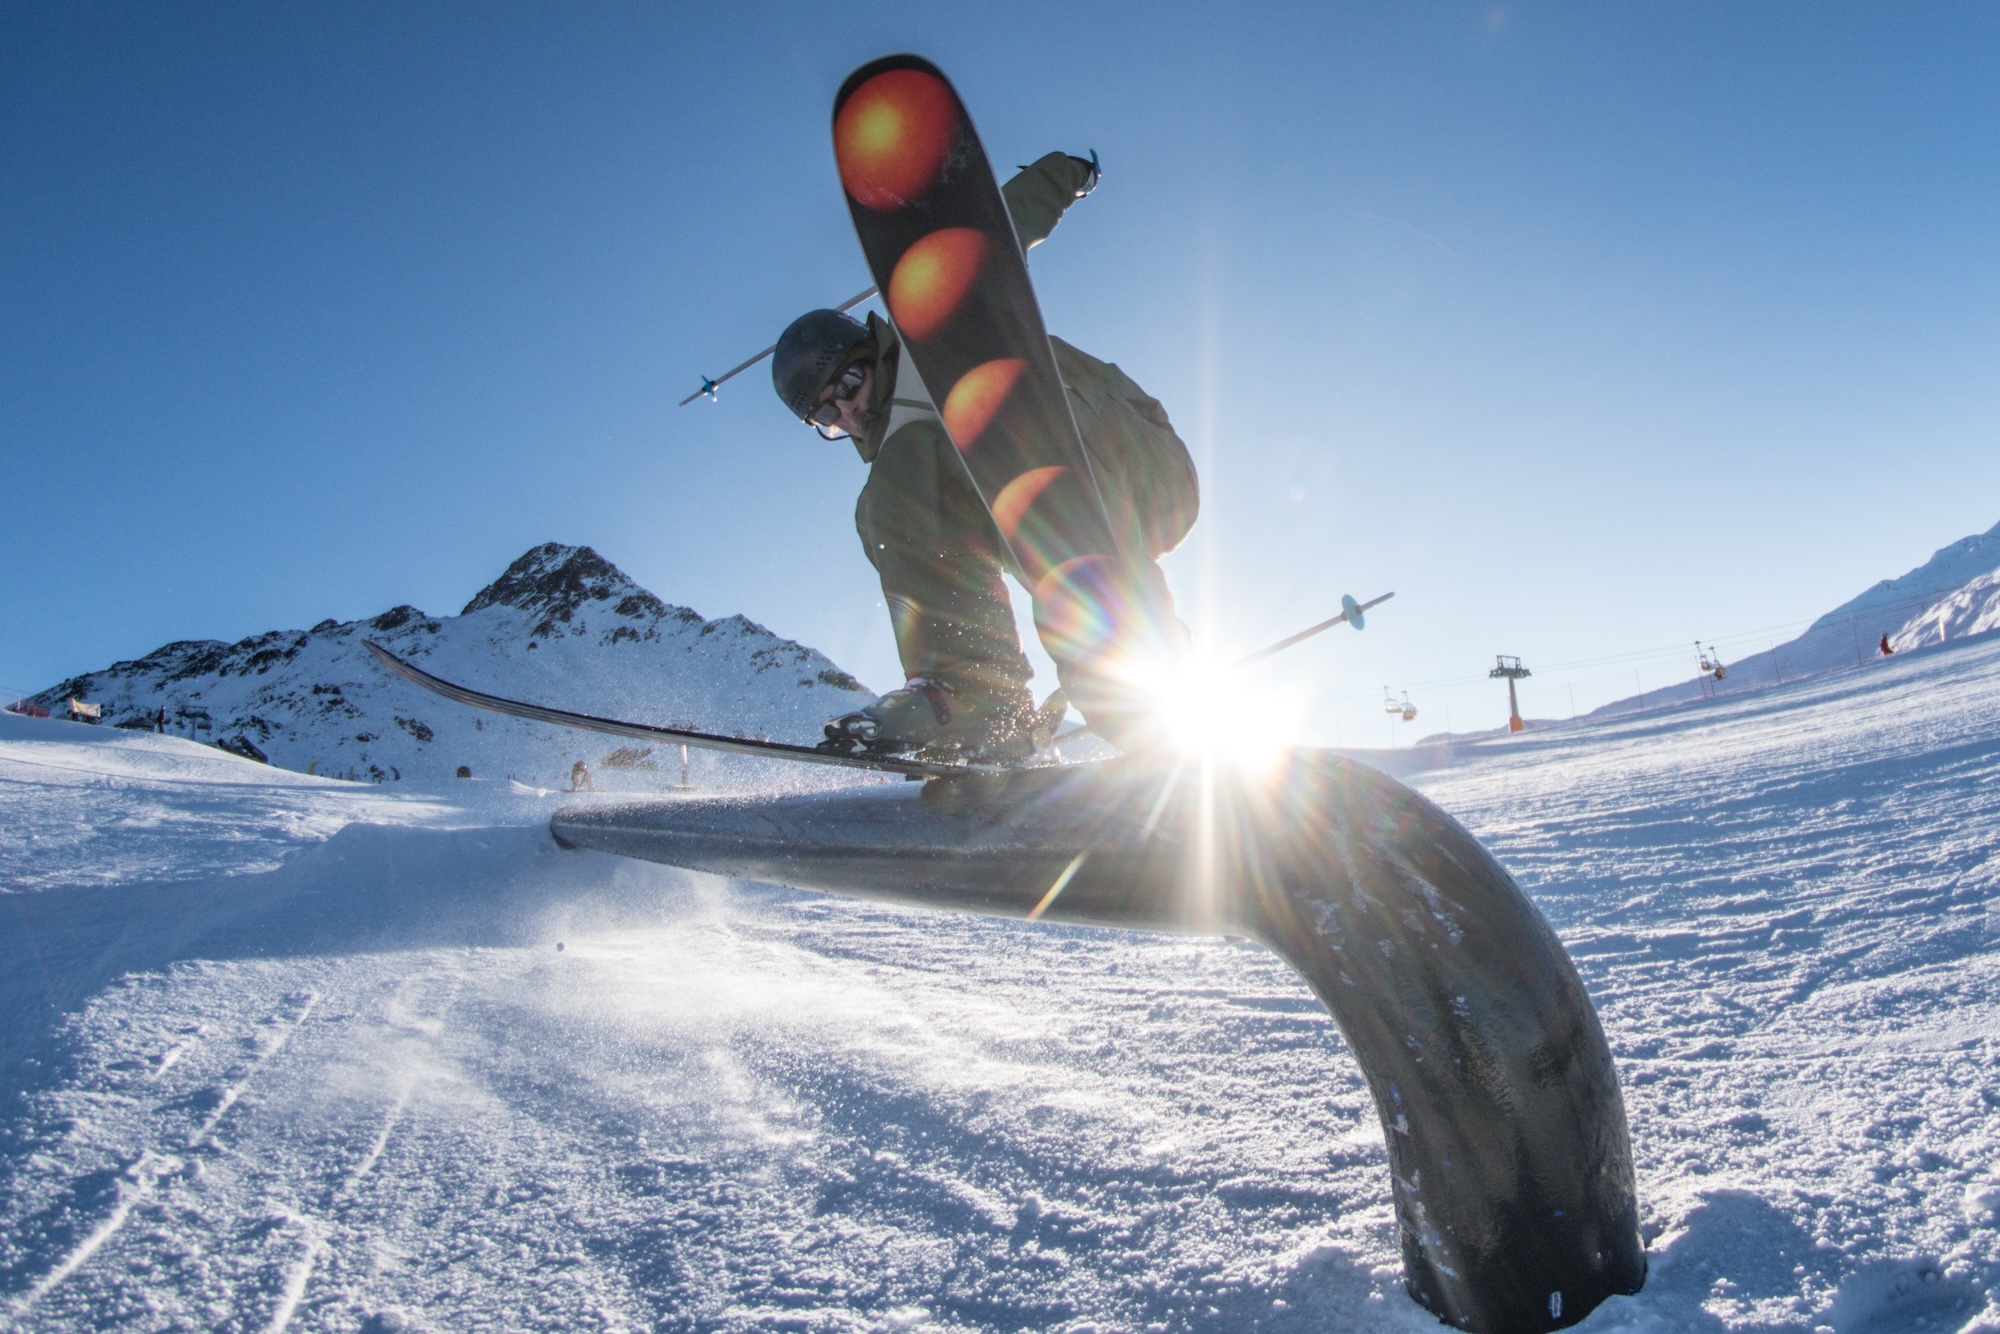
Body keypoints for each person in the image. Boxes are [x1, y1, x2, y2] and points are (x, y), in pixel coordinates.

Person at [772, 153, 1199, 762]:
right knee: (887, 501)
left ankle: (1149, 699)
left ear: (872, 350)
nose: (847, 414)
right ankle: (977, 700)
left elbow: (1002, 225)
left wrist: (1069, 172)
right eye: (825, 417)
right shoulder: (905, 476)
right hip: (1049, 515)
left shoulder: (936, 320)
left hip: (1130, 457)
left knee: (951, 441)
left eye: (846, 387)